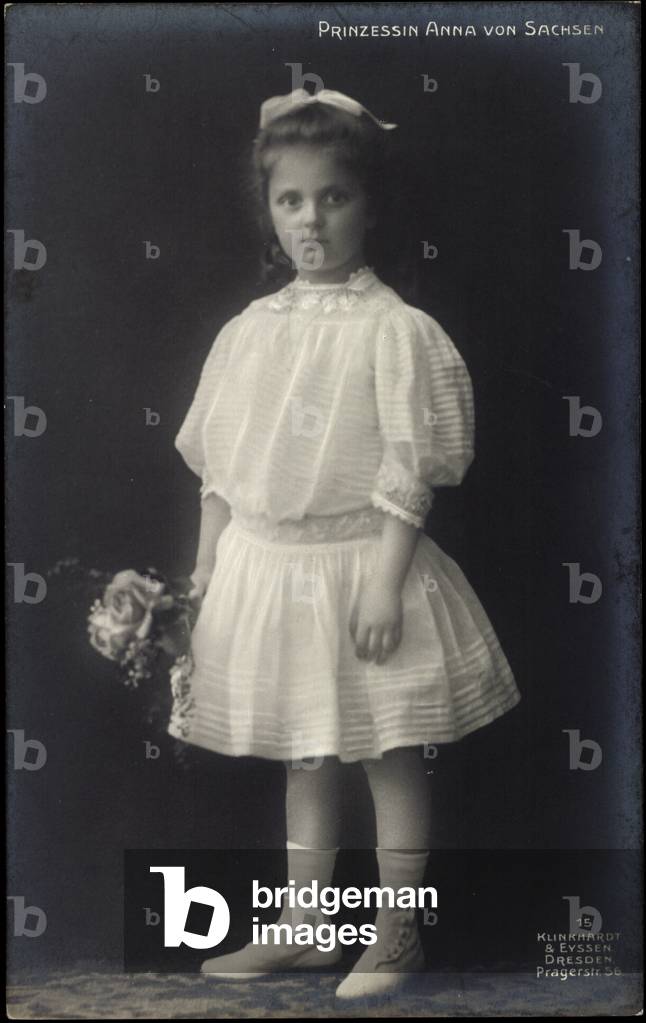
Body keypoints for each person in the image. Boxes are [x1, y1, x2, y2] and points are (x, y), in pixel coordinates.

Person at [168, 87, 521, 1000]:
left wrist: (384, 580)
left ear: (369, 204)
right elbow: (222, 466)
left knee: (386, 745)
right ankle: (307, 922)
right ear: (270, 212)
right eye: (291, 200)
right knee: (306, 748)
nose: (312, 218)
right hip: (267, 566)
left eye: (333, 196)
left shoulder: (392, 329)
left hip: (365, 564)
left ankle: (397, 929)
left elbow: (412, 464)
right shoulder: (249, 331)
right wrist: (207, 566)